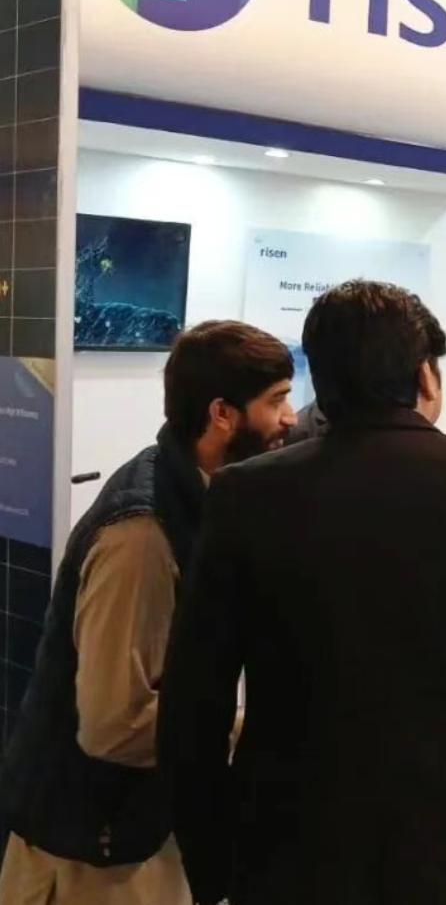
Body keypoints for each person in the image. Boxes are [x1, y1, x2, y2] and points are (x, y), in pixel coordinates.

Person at [157, 281, 446, 905]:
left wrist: (213, 867)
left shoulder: (245, 494)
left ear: (320, 376)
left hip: (295, 845)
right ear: (424, 375)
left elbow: (195, 702)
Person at [0, 321, 296, 905]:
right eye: (277, 400)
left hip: (131, 833)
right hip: (89, 855)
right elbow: (114, 723)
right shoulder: (142, 537)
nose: (290, 417)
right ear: (221, 414)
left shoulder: (190, 493)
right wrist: (243, 728)